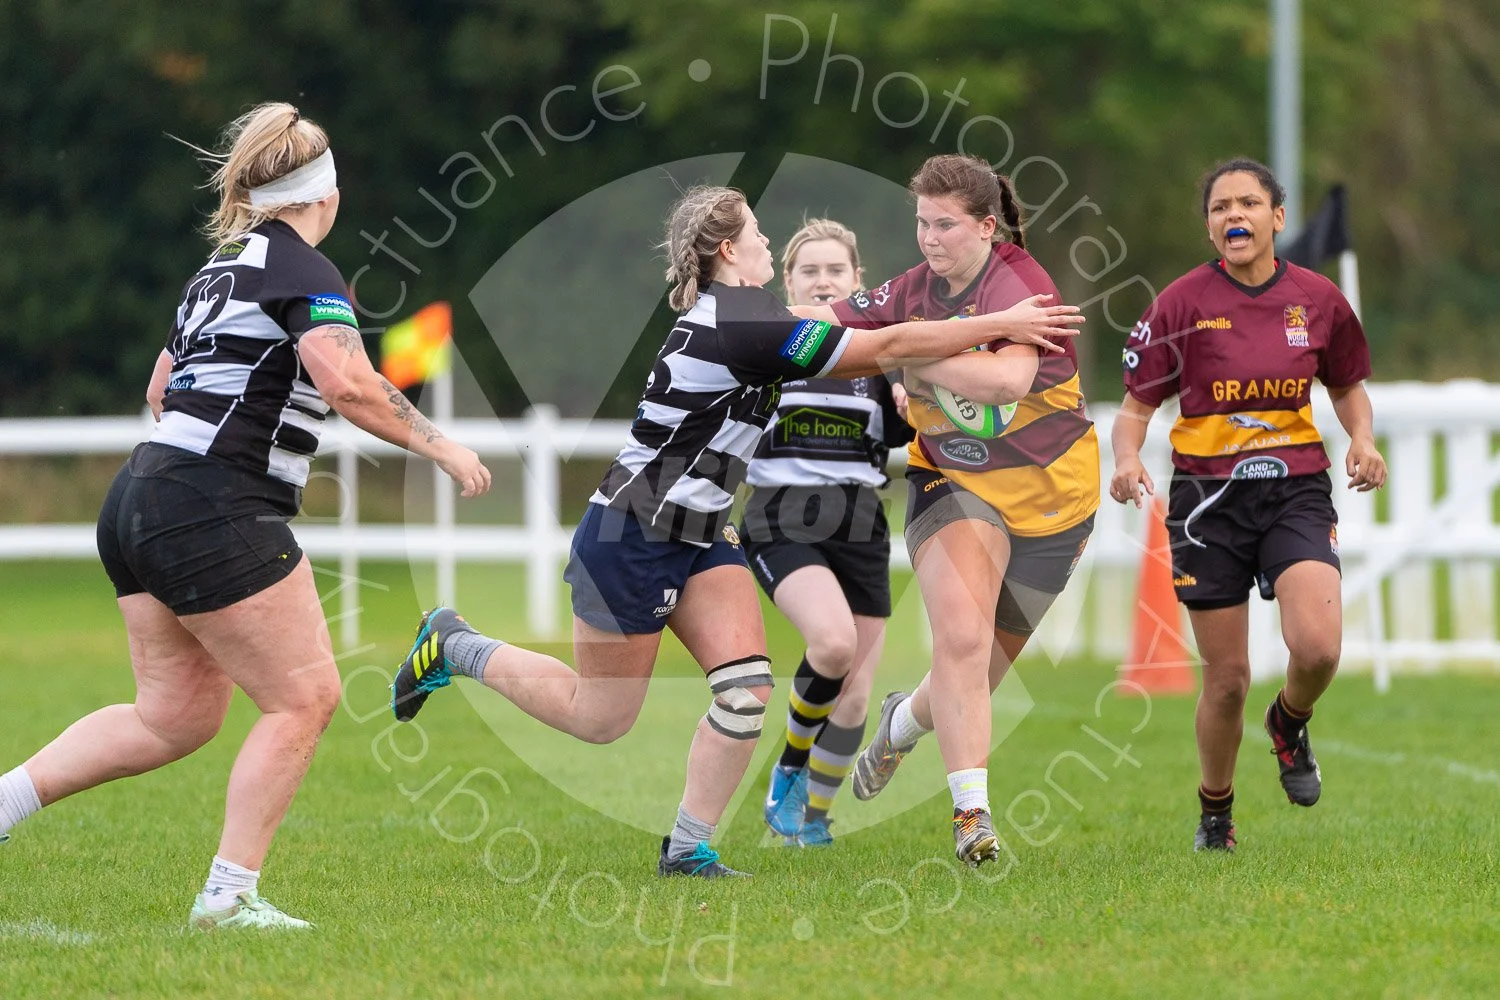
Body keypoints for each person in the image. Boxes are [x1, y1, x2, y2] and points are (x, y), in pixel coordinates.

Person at [389, 184, 1084, 878]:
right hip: (631, 533)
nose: (769, 244)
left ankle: (688, 849)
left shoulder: (757, 314)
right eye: (757, 234)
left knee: (747, 692)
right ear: (728, 250)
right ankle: (457, 645)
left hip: (701, 534)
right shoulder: (739, 323)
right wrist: (1003, 322)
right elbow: (890, 344)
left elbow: (882, 343)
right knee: (599, 717)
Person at [0, 103, 491, 930]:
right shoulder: (305, 270)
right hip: (209, 502)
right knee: (304, 698)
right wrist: (442, 447)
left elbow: (161, 391)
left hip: (137, 496)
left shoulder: (218, 270)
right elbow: (346, 385)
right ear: (324, 197)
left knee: (174, 716)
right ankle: (227, 898)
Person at [797, 154, 1100, 867]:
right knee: (961, 644)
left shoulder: (1023, 285)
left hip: (1055, 502)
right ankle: (971, 816)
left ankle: (900, 723)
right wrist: (733, 312)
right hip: (952, 483)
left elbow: (1003, 382)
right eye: (920, 223)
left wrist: (906, 352)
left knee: (973, 680)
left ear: (987, 227)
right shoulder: (911, 290)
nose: (928, 239)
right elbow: (824, 323)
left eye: (945, 225)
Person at [1109, 157, 1385, 852]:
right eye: (1220, 208)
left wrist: (1362, 438)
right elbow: (1138, 407)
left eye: (1248, 204)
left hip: (1294, 488)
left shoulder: (1318, 300)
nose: (1234, 216)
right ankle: (1215, 814)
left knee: (1318, 649)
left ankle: (1289, 721)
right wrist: (1125, 458)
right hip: (1207, 503)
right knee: (1227, 680)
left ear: (1277, 217)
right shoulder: (1180, 303)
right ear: (1209, 226)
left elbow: (1347, 383)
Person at [742, 219, 914, 848]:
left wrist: (912, 400)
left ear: (856, 282)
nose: (822, 281)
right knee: (834, 646)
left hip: (861, 521)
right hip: (781, 515)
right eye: (809, 271)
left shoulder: (875, 358)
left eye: (835, 271)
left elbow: (914, 432)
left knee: (855, 694)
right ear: (786, 282)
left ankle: (812, 819)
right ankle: (787, 771)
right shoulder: (763, 350)